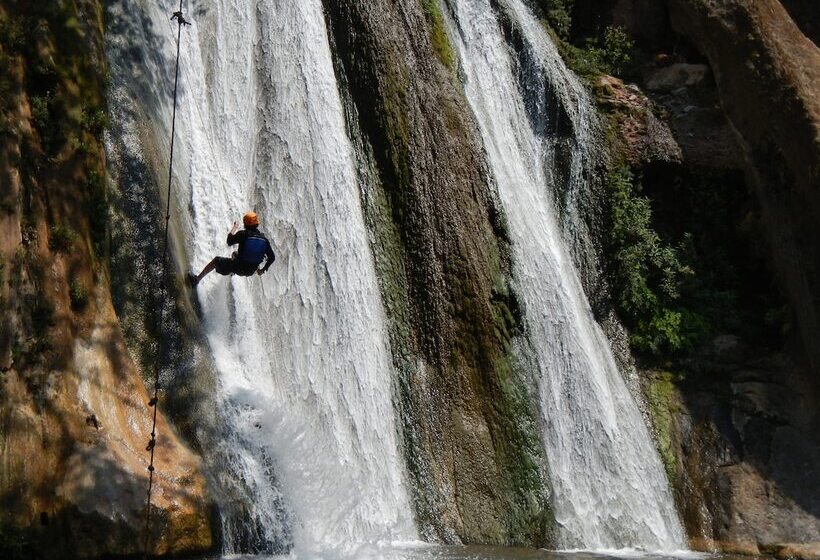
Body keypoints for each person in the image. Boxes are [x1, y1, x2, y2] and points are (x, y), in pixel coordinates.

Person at [188, 211, 275, 286]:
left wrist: (235, 227)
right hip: (250, 271)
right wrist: (262, 270)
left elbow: (229, 241)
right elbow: (272, 258)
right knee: (235, 254)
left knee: (216, 261)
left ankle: (197, 280)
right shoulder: (265, 240)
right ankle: (232, 272)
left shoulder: (243, 234)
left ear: (245, 224)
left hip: (238, 267)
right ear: (257, 224)